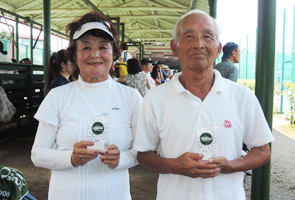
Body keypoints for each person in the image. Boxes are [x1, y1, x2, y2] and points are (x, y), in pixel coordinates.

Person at [133, 9, 274, 200]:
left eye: (207, 37)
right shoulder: (156, 98)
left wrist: (229, 166)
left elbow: (263, 151)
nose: (198, 44)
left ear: (217, 48)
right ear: (175, 47)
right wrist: (176, 166)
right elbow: (143, 155)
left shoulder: (242, 96)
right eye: (189, 36)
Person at [31, 11, 142, 200]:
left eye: (103, 47)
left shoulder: (131, 97)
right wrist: (70, 158)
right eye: (85, 48)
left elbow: (141, 151)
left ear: (114, 54)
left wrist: (121, 159)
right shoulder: (58, 96)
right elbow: (38, 154)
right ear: (74, 56)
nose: (94, 55)